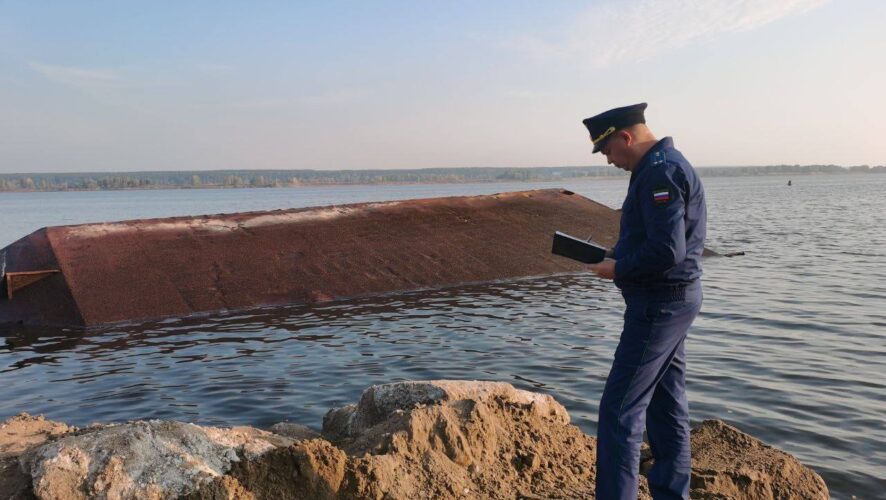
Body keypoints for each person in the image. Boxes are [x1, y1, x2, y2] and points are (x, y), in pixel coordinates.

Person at [582, 103, 706, 499]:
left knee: (619, 411)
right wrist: (618, 254)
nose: (608, 160)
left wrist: (617, 269)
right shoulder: (662, 165)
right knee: (665, 406)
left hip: (660, 305)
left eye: (606, 151)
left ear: (625, 137)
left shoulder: (659, 171)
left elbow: (667, 251)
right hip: (670, 301)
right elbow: (655, 241)